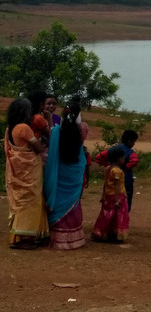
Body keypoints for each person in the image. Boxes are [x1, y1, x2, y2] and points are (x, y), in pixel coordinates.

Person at [43, 97, 88, 250]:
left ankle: (57, 236)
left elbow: (52, 152)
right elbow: (81, 156)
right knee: (73, 203)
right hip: (74, 173)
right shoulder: (81, 130)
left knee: (58, 199)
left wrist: (50, 122)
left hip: (60, 172)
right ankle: (74, 239)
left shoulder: (56, 131)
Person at [5, 98, 50, 249]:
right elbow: (37, 148)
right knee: (31, 202)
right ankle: (25, 238)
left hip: (19, 171)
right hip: (29, 171)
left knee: (22, 201)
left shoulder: (10, 128)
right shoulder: (24, 127)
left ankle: (21, 236)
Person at [91, 145, 130, 242]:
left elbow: (105, 183)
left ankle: (101, 232)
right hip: (117, 196)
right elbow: (117, 186)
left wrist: (103, 195)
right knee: (118, 216)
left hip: (108, 195)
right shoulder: (118, 171)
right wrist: (117, 200)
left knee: (106, 215)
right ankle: (115, 234)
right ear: (119, 159)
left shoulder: (108, 169)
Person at [94, 129, 139, 211]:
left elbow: (98, 158)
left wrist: (109, 165)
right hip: (126, 181)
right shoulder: (130, 152)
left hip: (110, 184)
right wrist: (124, 167)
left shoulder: (113, 149)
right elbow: (135, 161)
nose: (134, 144)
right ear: (129, 142)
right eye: (134, 141)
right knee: (125, 202)